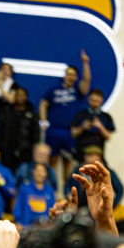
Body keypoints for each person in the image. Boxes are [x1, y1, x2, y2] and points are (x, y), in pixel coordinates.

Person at [39, 49, 91, 180]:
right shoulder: (54, 90)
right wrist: (43, 120)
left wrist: (85, 63)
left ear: (76, 78)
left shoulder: (77, 91)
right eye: (68, 74)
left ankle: (67, 192)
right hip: (53, 130)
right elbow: (43, 104)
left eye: (73, 75)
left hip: (69, 132)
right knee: (52, 161)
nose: (70, 76)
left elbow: (87, 80)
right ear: (64, 76)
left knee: (68, 162)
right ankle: (50, 188)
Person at [0, 86, 39, 172]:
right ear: (14, 97)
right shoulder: (6, 112)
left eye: (23, 95)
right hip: (6, 150)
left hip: (25, 152)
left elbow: (36, 134)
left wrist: (32, 150)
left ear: (26, 97)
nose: (20, 97)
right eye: (18, 95)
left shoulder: (32, 115)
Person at [70, 88, 115, 157]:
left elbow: (108, 137)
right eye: (93, 100)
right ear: (89, 99)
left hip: (98, 153)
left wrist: (100, 127)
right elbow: (73, 134)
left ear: (102, 100)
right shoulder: (81, 114)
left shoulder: (106, 117)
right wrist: (82, 127)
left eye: (97, 101)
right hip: (81, 152)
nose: (95, 103)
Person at [12, 162, 56, 228]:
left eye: (42, 171)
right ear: (33, 172)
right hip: (25, 228)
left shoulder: (50, 190)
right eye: (37, 171)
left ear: (46, 174)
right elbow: (18, 207)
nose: (39, 173)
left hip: (43, 229)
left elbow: (53, 210)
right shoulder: (24, 188)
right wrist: (18, 222)